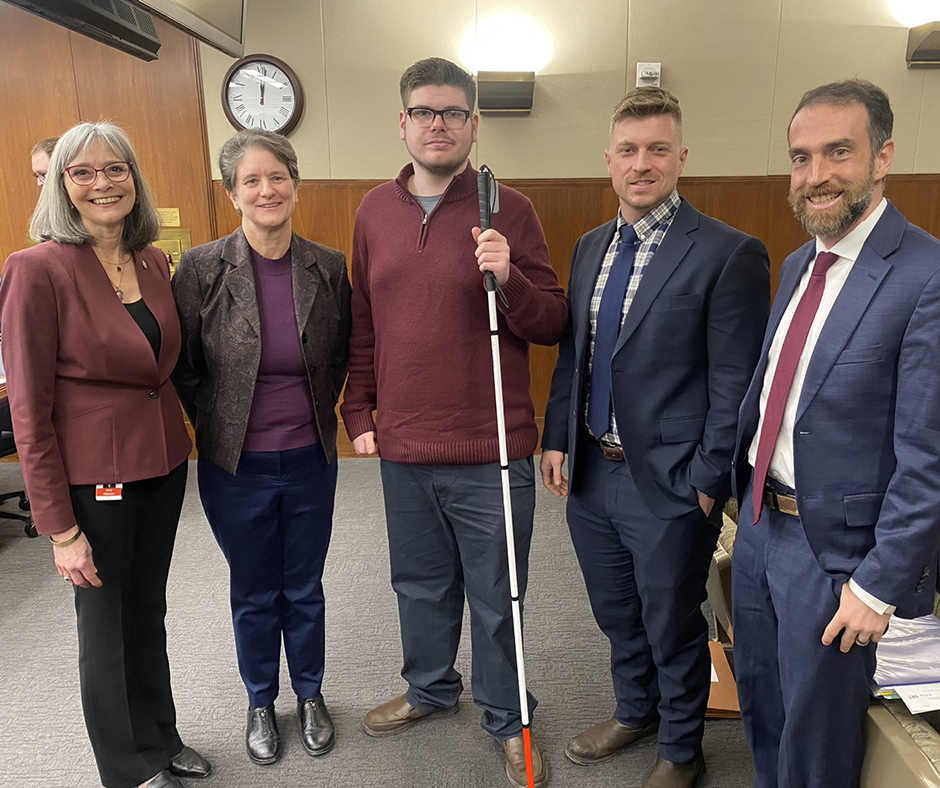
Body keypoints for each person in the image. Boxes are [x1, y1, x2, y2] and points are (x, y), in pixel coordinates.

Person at [340, 57, 567, 788]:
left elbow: (552, 320)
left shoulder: (510, 209)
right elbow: (363, 321)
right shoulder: (373, 210)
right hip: (405, 444)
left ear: (474, 123)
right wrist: (357, 408)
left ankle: (509, 716)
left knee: (497, 592)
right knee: (418, 584)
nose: (438, 125)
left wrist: (510, 275)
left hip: (490, 446)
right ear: (402, 123)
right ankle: (431, 689)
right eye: (423, 112)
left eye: (453, 113)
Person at [541, 87, 770, 788]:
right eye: (630, 151)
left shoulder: (729, 253)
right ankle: (633, 710)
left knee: (671, 618)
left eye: (658, 150)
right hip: (591, 471)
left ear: (681, 157)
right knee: (616, 609)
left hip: (671, 480)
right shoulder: (588, 247)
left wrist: (708, 482)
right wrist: (557, 437)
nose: (643, 164)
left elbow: (737, 384)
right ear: (608, 159)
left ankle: (681, 747)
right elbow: (573, 356)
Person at [732, 79, 940, 788]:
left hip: (835, 562)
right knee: (764, 710)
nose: (815, 175)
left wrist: (878, 586)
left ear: (883, 158)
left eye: (838, 153)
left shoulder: (925, 275)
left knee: (816, 750)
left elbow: (929, 458)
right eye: (800, 157)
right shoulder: (798, 264)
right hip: (760, 529)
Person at [0, 122, 209, 788]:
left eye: (114, 168)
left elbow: (165, 367)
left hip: (164, 465)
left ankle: (162, 737)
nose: (101, 183)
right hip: (95, 481)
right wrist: (60, 528)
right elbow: (29, 410)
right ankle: (128, 769)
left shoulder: (152, 259)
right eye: (82, 172)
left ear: (133, 177)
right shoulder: (36, 270)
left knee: (147, 610)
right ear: (61, 184)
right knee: (104, 625)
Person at [172, 129, 351, 767]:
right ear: (232, 194)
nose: (266, 190)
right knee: (253, 588)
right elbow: (186, 368)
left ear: (295, 186)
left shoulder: (327, 266)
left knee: (303, 585)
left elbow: (338, 354)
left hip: (310, 460)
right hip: (235, 465)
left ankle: (310, 694)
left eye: (277, 177)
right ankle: (259, 701)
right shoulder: (199, 268)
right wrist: (219, 427)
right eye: (251, 180)